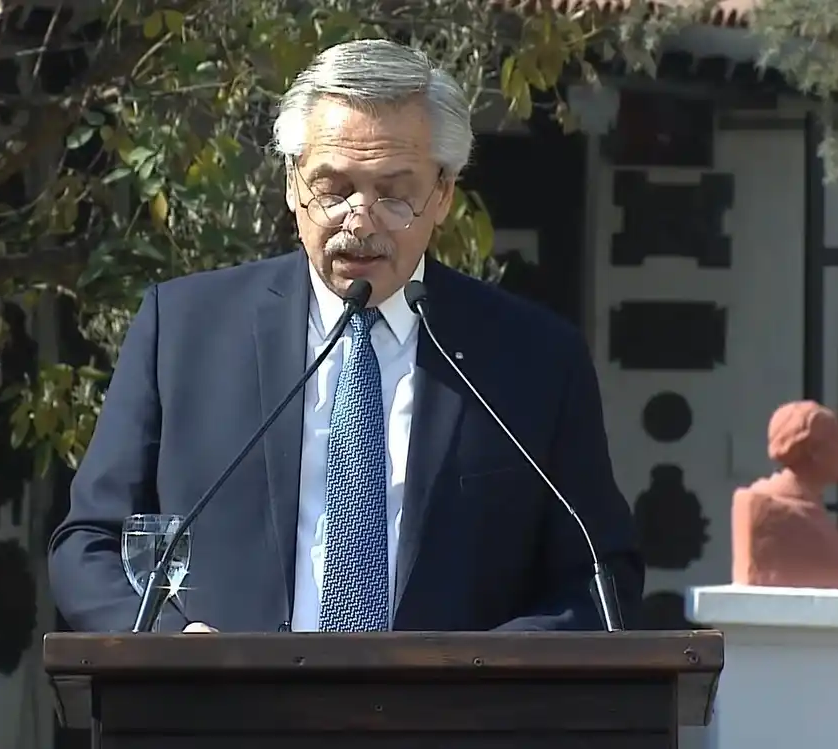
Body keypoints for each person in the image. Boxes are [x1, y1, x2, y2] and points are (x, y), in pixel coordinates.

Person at [47, 38, 643, 634]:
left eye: (394, 193)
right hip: (224, 712)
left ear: (443, 195)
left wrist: (480, 674)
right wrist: (167, 649)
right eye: (333, 190)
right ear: (291, 185)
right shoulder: (182, 330)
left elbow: (598, 574)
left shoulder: (534, 357)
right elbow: (89, 544)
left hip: (446, 718)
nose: (359, 219)